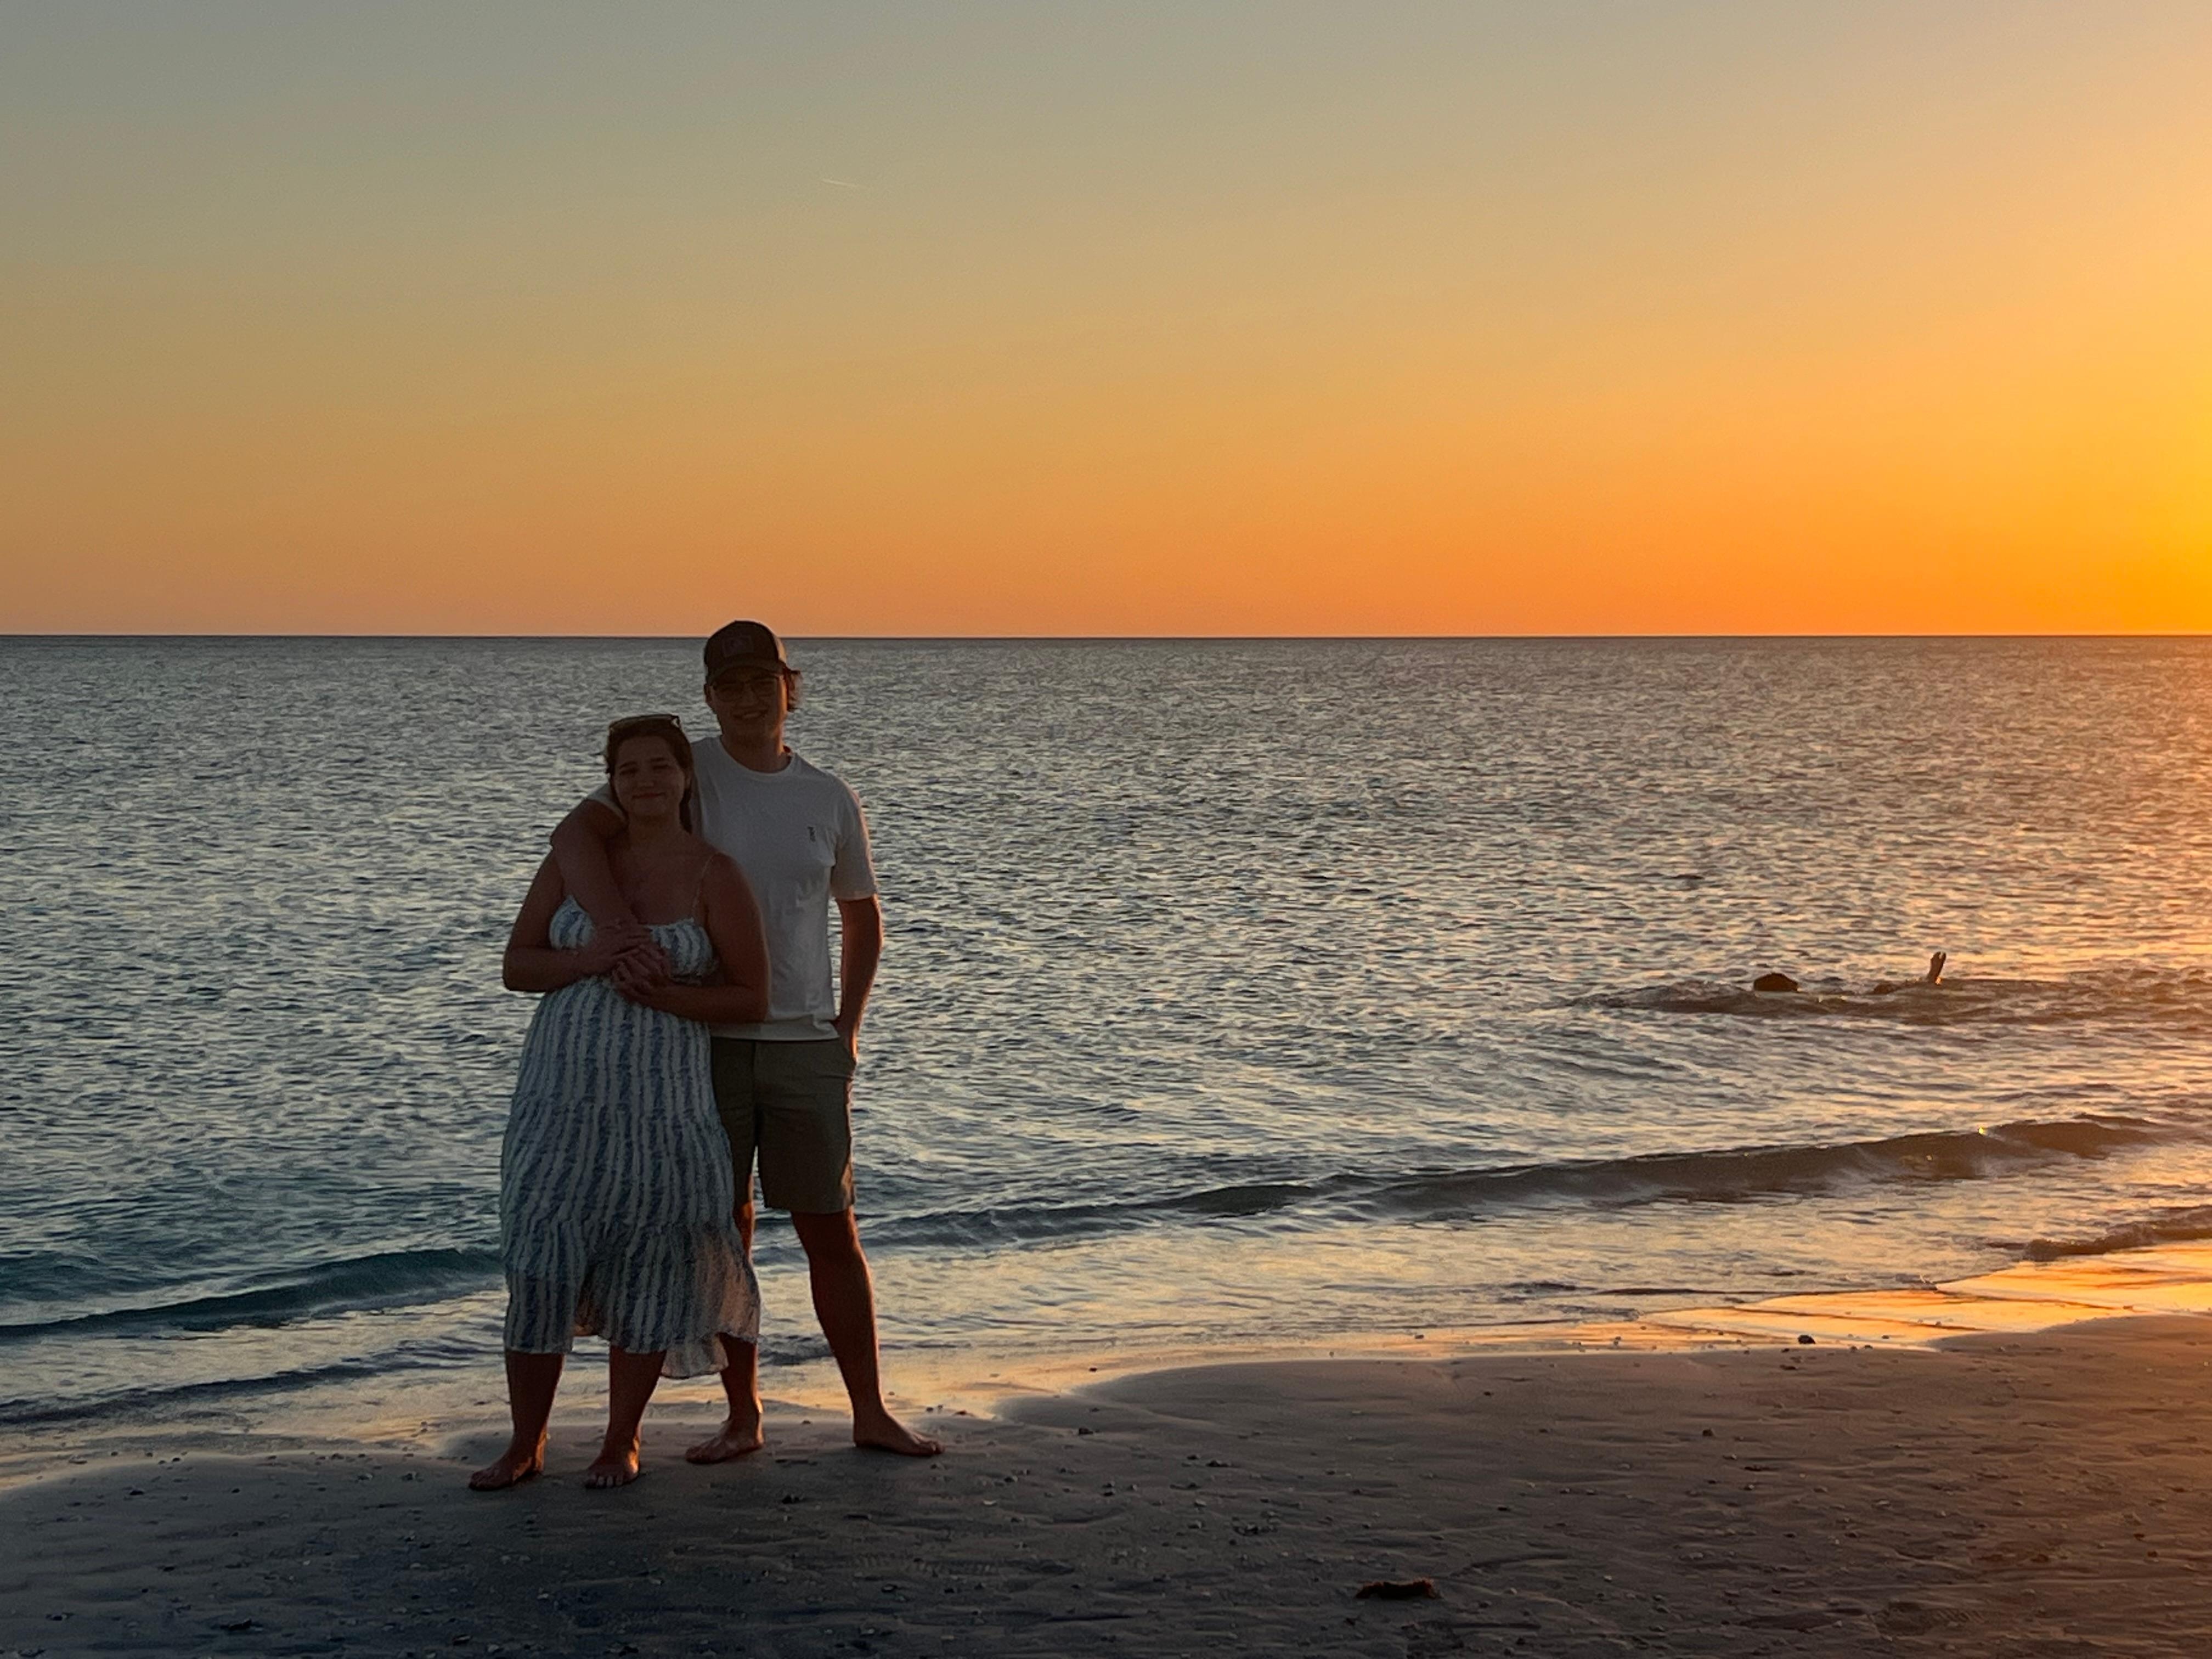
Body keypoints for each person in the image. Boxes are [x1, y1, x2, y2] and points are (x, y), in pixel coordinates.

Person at [551, 622, 941, 1459]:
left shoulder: (830, 796)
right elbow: (575, 836)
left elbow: (862, 915)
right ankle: (743, 1413)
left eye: (761, 682)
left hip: (804, 1042)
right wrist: (614, 935)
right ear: (709, 698)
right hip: (703, 1040)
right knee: (718, 1230)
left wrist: (850, 1028)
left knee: (830, 1227)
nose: (746, 698)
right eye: (729, 686)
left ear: (788, 688)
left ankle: (869, 1411)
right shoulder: (682, 774)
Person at [471, 715, 772, 1492]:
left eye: (660, 768)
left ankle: (620, 1442)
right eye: (629, 770)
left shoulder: (716, 873)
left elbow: (751, 997)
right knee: (539, 1256)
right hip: (558, 1098)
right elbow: (517, 966)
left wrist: (666, 995)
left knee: (647, 1258)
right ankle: (526, 1441)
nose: (645, 782)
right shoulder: (576, 863)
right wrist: (586, 958)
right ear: (611, 781)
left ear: (685, 778)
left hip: (663, 1101)